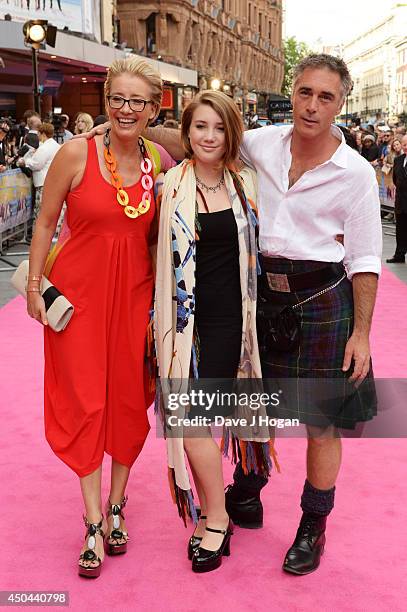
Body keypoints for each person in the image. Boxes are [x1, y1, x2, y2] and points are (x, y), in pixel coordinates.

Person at [139, 53, 382, 576]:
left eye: (326, 97)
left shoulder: (356, 172)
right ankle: (247, 491)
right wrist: (124, 125)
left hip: (321, 299)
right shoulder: (260, 143)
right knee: (254, 402)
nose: (312, 106)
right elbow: (202, 136)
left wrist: (361, 332)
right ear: (292, 93)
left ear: (341, 103)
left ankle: (313, 526)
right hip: (256, 296)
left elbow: (364, 258)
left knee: (322, 423)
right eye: (305, 93)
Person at [27, 56, 174, 579]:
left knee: (130, 402)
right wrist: (32, 289)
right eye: (118, 99)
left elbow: (160, 238)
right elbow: (44, 225)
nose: (126, 109)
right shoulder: (74, 153)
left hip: (135, 301)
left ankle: (117, 506)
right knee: (86, 402)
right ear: (106, 102)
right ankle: (92, 520)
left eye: (138, 101)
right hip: (80, 301)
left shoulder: (159, 160)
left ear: (154, 108)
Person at [154, 90, 274, 574]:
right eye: (200, 126)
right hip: (180, 323)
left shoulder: (245, 183)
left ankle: (215, 516)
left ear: (231, 135)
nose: (208, 136)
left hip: (230, 323)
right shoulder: (168, 186)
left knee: (196, 420)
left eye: (219, 128)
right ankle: (217, 514)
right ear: (187, 132)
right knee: (186, 421)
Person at [17, 123, 60, 226]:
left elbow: (36, 165)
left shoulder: (44, 147)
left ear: (43, 134)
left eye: (39, 134)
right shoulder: (56, 145)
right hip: (53, 182)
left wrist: (24, 162)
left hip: (43, 183)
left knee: (41, 212)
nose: (38, 136)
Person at [386, 134, 407, 263]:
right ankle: (399, 254)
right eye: (404, 144)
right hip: (401, 201)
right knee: (400, 230)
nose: (405, 147)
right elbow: (395, 179)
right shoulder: (398, 160)